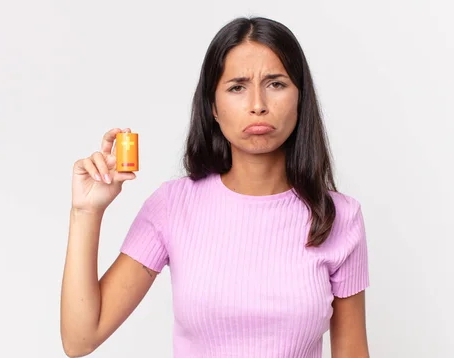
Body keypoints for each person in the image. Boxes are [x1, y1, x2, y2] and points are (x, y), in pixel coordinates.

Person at [61, 16, 370, 358]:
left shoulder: (340, 216)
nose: (257, 104)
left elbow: (352, 352)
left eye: (276, 84)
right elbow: (80, 340)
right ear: (213, 106)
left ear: (301, 98)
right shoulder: (172, 205)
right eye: (237, 86)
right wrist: (86, 211)